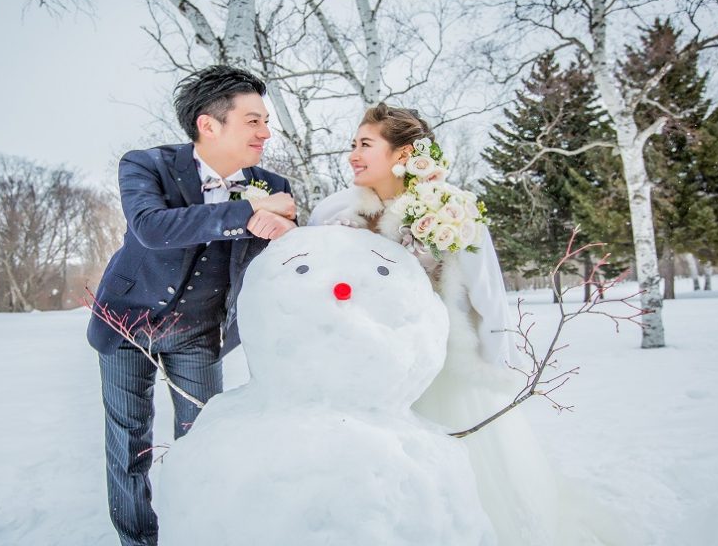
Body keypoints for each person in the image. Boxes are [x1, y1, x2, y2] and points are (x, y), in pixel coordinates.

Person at [307, 103, 567, 545]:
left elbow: (488, 293)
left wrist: (498, 362)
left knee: (456, 479)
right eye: (353, 144)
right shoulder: (333, 212)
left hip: (442, 367)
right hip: (367, 367)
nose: (352, 154)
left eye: (365, 145)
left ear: (403, 154)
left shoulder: (453, 208)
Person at [86, 65, 295, 546]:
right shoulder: (145, 164)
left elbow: (285, 256)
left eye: (265, 121)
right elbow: (152, 228)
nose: (266, 132)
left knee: (203, 437)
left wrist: (286, 231)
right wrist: (247, 212)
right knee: (128, 444)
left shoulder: (271, 184)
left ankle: (198, 532)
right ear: (209, 124)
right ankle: (138, 540)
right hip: (125, 323)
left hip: (200, 331)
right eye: (253, 121)